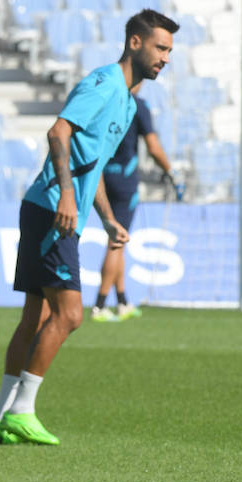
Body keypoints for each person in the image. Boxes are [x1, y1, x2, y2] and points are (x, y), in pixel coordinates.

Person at [0, 9, 179, 446]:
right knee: (70, 315)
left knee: (34, 317)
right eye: (161, 48)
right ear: (135, 42)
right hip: (54, 210)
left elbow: (87, 167)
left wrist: (109, 219)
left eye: (169, 50)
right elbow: (58, 133)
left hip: (47, 207)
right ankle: (21, 410)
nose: (166, 58)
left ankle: (1, 417)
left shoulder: (129, 103)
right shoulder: (103, 83)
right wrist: (70, 198)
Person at [91, 94, 183, 322]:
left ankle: (122, 301)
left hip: (103, 177)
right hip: (124, 179)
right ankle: (100, 304)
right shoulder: (138, 105)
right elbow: (153, 146)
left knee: (117, 241)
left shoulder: (106, 102)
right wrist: (170, 172)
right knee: (117, 241)